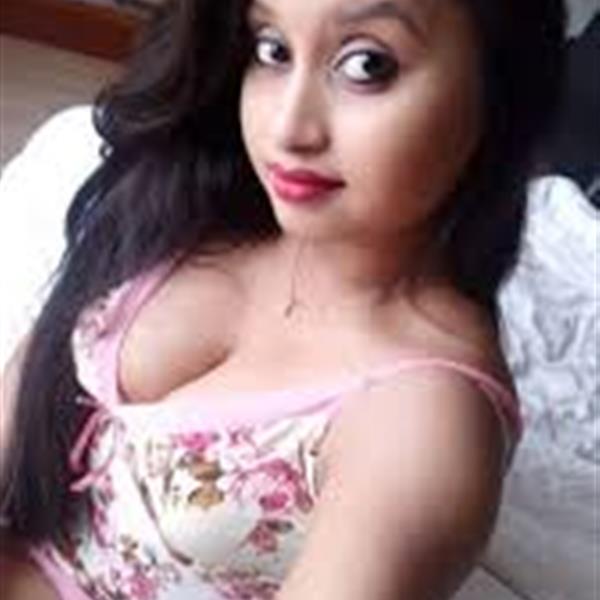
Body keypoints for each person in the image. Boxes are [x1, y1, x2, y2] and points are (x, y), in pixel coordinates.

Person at [0, 0, 565, 598]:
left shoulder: (422, 422)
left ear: (503, 90)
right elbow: (28, 394)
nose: (287, 129)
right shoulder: (204, 199)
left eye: (368, 65)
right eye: (273, 50)